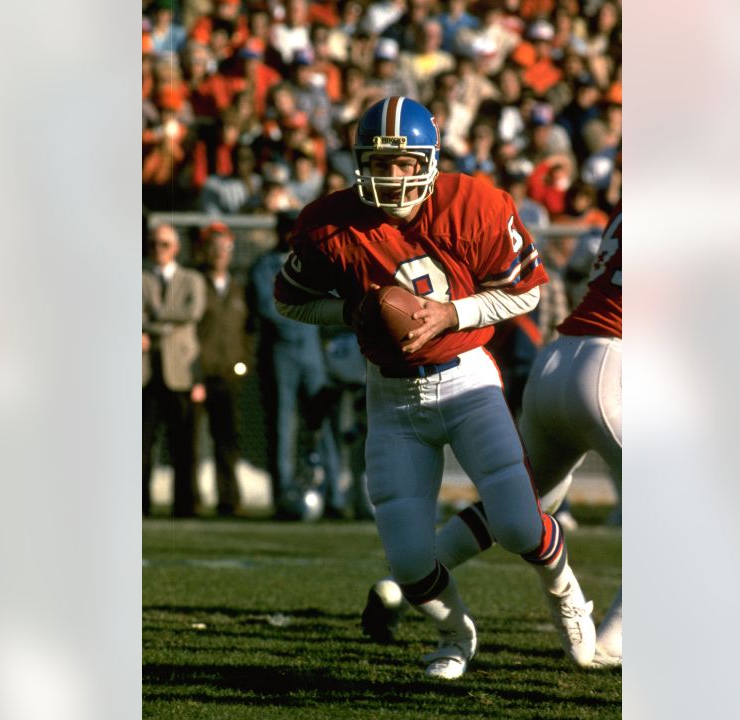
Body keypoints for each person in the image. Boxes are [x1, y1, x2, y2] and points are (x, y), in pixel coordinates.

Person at [273, 96, 600, 679]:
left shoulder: (473, 205)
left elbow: (524, 293)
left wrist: (452, 314)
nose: (393, 176)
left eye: (405, 164)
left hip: (466, 378)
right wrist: (351, 312)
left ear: (430, 160)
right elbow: (289, 300)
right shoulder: (329, 224)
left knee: (520, 524)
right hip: (392, 396)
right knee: (407, 562)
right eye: (379, 162)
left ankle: (567, 594)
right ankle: (457, 634)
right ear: (359, 162)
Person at [362, 203, 623, 667]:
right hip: (615, 365)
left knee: (523, 505)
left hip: (560, 359)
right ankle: (611, 643)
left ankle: (399, 589)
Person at [248, 212, 344, 520]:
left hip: (312, 351)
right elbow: (268, 307)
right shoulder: (265, 266)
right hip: (282, 350)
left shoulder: (315, 264)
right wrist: (307, 312)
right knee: (283, 424)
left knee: (323, 424)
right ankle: (285, 496)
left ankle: (334, 495)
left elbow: (331, 298)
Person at [142, 223, 207, 518]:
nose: (159, 250)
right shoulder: (139, 276)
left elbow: (193, 312)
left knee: (183, 445)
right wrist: (170, 323)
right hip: (145, 372)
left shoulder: (192, 279)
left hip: (180, 372)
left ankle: (185, 504)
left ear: (176, 248)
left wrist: (153, 318)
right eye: (155, 244)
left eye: (165, 244)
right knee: (141, 445)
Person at [194, 221, 251, 517]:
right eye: (214, 247)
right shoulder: (196, 283)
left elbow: (248, 330)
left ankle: (229, 499)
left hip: (229, 374)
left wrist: (244, 360)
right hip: (199, 374)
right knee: (191, 442)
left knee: (227, 440)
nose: (220, 253)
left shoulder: (239, 288)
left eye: (225, 247)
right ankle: (189, 500)